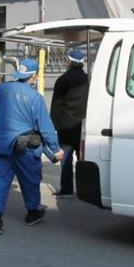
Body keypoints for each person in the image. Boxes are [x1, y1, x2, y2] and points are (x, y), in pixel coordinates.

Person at [0, 59, 64, 234]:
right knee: (30, 179)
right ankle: (32, 212)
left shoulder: (3, 89)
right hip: (26, 146)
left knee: (0, 180)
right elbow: (45, 127)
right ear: (34, 76)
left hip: (3, 144)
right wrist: (55, 149)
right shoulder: (35, 97)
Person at [50, 50, 89, 198]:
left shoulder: (63, 80)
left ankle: (66, 190)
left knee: (66, 158)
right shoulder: (88, 80)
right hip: (83, 126)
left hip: (66, 126)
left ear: (69, 61)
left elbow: (56, 105)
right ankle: (85, 191)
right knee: (82, 160)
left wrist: (53, 125)